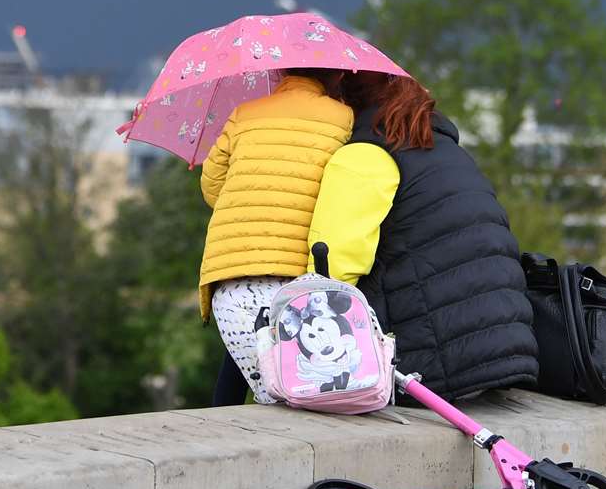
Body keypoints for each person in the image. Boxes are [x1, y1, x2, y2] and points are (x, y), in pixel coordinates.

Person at [306, 71, 538, 401]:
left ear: (347, 104)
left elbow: (331, 270)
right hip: (504, 356)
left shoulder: (365, 155)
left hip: (432, 370)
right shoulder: (452, 154)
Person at [199, 67, 352, 405]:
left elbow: (211, 187)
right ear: (336, 76)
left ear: (281, 71)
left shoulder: (244, 114)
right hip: (302, 282)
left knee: (261, 385)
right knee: (301, 398)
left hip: (234, 276)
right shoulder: (343, 118)